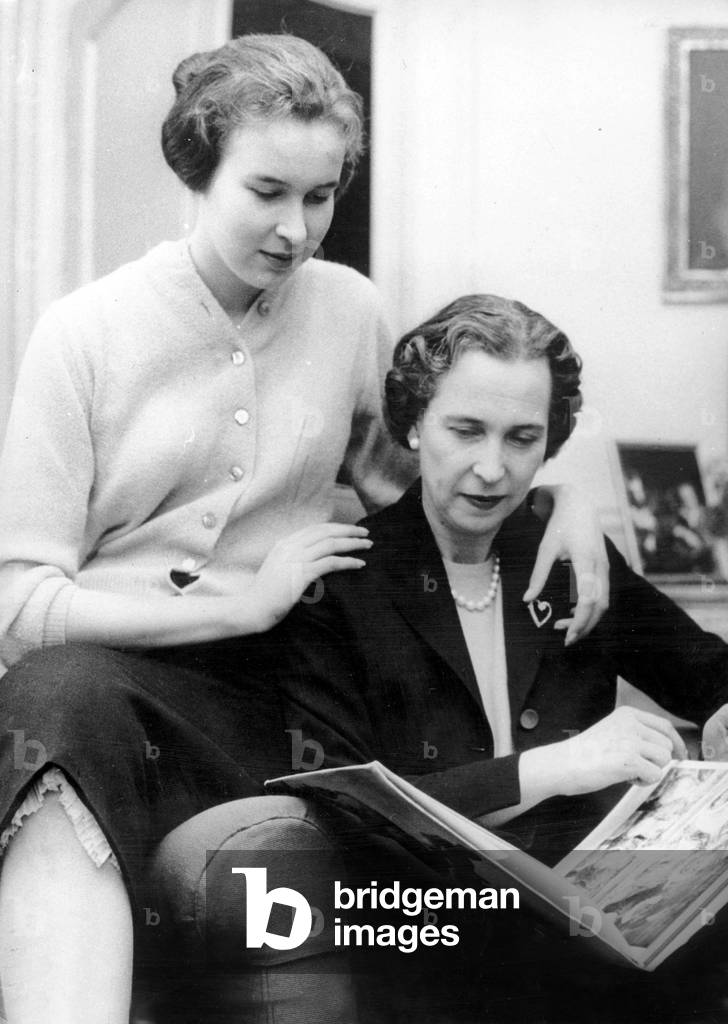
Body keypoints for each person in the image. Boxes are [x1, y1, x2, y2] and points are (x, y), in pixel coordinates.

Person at [0, 35, 609, 1024]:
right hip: (118, 689)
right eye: (266, 190)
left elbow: (422, 484)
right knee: (50, 700)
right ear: (200, 170)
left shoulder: (349, 310)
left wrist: (564, 498)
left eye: (319, 197)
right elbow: (22, 599)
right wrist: (242, 600)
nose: (294, 228)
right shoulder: (85, 333)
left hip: (291, 695)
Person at [272, 293, 728, 1020]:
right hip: (437, 932)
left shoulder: (571, 553)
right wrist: (558, 766)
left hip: (604, 926)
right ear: (414, 425)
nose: (493, 468)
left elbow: (707, 671)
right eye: (466, 430)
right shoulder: (340, 587)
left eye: (522, 438)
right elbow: (338, 807)